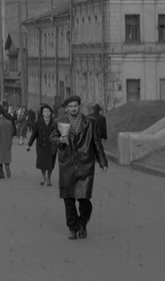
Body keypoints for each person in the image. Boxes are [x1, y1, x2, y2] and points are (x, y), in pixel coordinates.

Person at [52, 95, 109, 240]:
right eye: (70, 107)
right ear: (66, 108)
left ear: (79, 106)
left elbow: (96, 142)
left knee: (85, 200)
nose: (73, 109)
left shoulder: (90, 122)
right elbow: (52, 139)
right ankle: (72, 228)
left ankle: (82, 223)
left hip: (85, 164)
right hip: (67, 165)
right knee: (68, 199)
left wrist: (102, 161)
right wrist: (59, 140)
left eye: (75, 106)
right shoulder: (60, 122)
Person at [27, 103, 58, 186]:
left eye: (48, 111)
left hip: (52, 146)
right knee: (42, 163)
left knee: (50, 163)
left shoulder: (54, 122)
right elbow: (34, 134)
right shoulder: (38, 122)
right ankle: (43, 176)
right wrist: (29, 144)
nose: (46, 113)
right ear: (42, 113)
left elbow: (58, 134)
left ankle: (49, 178)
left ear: (51, 113)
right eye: (45, 111)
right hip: (41, 146)